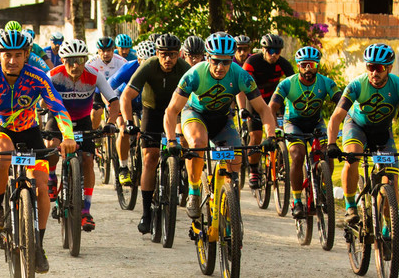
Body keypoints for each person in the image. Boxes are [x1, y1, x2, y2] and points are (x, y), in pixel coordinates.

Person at [0, 29, 77, 274]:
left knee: (42, 186)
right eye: (7, 55)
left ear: (26, 55)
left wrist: (68, 136)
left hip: (29, 130)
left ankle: (38, 245)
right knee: (4, 153)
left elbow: (58, 107)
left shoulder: (38, 77)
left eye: (18, 55)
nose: (12, 61)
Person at [164, 33, 277, 219]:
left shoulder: (240, 75)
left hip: (222, 119)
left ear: (232, 60)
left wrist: (270, 136)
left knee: (235, 161)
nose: (220, 67)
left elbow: (263, 109)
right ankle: (194, 192)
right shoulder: (194, 74)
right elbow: (171, 110)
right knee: (198, 143)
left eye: (226, 62)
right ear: (207, 57)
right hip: (195, 114)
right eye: (216, 61)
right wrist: (171, 140)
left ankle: (232, 215)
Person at [327, 43, 399, 224]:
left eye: (379, 68)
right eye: (370, 67)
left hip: (382, 131)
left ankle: (388, 226)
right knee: (352, 156)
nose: (374, 72)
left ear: (389, 68)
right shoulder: (357, 85)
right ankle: (350, 206)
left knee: (390, 179)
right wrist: (332, 144)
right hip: (356, 126)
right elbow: (337, 116)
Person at [45, 39, 121, 231]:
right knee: (50, 146)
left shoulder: (94, 75)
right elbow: (37, 99)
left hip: (82, 121)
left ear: (86, 60)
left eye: (79, 60)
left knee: (87, 159)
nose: (75, 66)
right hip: (58, 120)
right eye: (70, 61)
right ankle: (52, 178)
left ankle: (86, 210)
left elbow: (113, 100)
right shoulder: (52, 76)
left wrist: (111, 123)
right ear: (62, 60)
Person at [120, 35, 191, 233]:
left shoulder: (184, 68)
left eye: (172, 55)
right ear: (157, 54)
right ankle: (146, 213)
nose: (168, 59)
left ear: (179, 54)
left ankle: (179, 172)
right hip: (151, 112)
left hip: (176, 112)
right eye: (164, 55)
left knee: (183, 140)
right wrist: (128, 123)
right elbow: (126, 96)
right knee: (150, 158)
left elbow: (198, 95)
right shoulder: (149, 66)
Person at [270, 46, 342, 219]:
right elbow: (271, 107)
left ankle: (323, 188)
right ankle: (296, 201)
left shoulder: (326, 83)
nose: (308, 69)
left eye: (312, 65)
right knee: (297, 155)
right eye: (304, 65)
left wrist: (343, 125)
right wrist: (276, 129)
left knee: (327, 153)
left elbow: (342, 103)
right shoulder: (287, 83)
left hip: (316, 123)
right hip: (293, 123)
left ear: (317, 65)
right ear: (298, 66)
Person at [242, 33, 295, 189]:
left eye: (277, 51)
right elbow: (243, 85)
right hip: (254, 100)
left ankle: (280, 159)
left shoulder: (283, 63)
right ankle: (254, 170)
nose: (274, 55)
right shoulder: (252, 62)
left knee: (280, 132)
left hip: (274, 101)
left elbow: (295, 84)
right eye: (270, 51)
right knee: (256, 136)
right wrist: (243, 108)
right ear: (263, 50)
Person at [109, 41, 154, 186]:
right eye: (146, 62)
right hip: (123, 99)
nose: (150, 66)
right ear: (139, 60)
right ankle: (123, 167)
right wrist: (111, 107)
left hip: (143, 104)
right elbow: (108, 88)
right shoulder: (129, 68)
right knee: (124, 130)